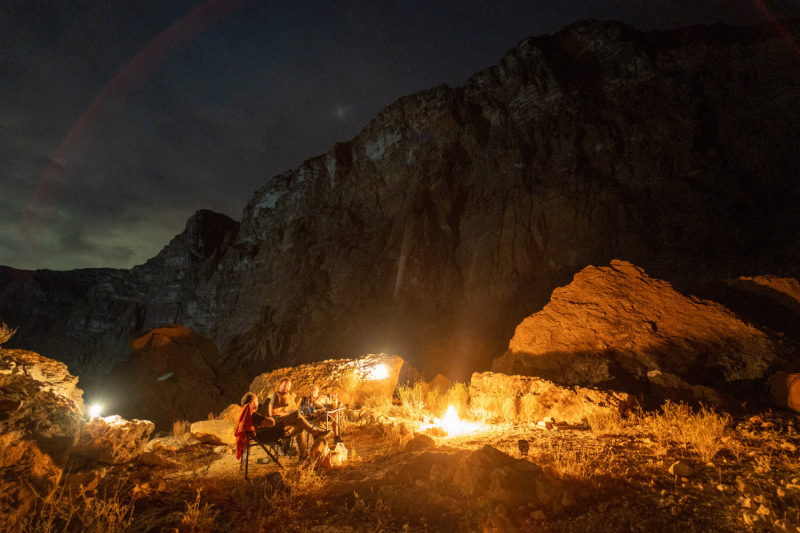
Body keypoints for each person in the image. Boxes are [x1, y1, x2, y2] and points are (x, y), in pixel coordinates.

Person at [261, 378, 329, 459]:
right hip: (272, 426)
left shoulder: (285, 397)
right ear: (280, 386)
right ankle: (315, 433)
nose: (286, 387)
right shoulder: (275, 396)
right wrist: (285, 413)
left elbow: (283, 412)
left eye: (288, 386)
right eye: (285, 385)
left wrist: (286, 413)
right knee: (297, 414)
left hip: (280, 423)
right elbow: (271, 413)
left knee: (301, 426)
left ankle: (303, 455)